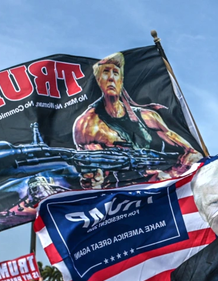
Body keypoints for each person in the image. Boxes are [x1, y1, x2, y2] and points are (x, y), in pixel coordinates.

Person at [72, 52, 203, 188]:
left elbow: (192, 153)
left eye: (116, 73)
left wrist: (176, 171)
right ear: (98, 79)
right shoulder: (87, 124)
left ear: (121, 80)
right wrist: (94, 179)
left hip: (160, 187)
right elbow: (93, 171)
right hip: (125, 197)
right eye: (106, 72)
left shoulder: (147, 117)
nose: (111, 78)